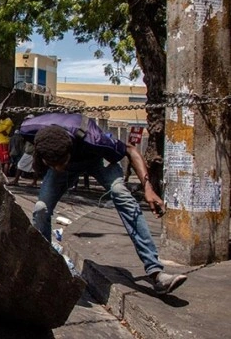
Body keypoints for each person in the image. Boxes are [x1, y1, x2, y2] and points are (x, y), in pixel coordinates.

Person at [23, 113, 187, 295]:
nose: (59, 168)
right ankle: (46, 267)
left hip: (96, 159)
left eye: (62, 163)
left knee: (121, 193)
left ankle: (156, 273)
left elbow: (131, 150)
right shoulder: (29, 130)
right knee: (40, 209)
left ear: (69, 152)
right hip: (64, 155)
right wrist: (52, 166)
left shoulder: (94, 139)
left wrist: (148, 187)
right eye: (53, 165)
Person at [9, 115, 37, 187]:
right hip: (31, 150)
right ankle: (34, 182)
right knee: (34, 167)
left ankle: (16, 181)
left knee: (20, 165)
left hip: (30, 150)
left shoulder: (32, 129)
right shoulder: (33, 128)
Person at [0, 112, 14, 176]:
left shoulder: (7, 121)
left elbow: (3, 131)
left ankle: (5, 174)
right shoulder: (0, 121)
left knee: (6, 161)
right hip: (0, 142)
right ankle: (3, 174)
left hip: (4, 142)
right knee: (1, 160)